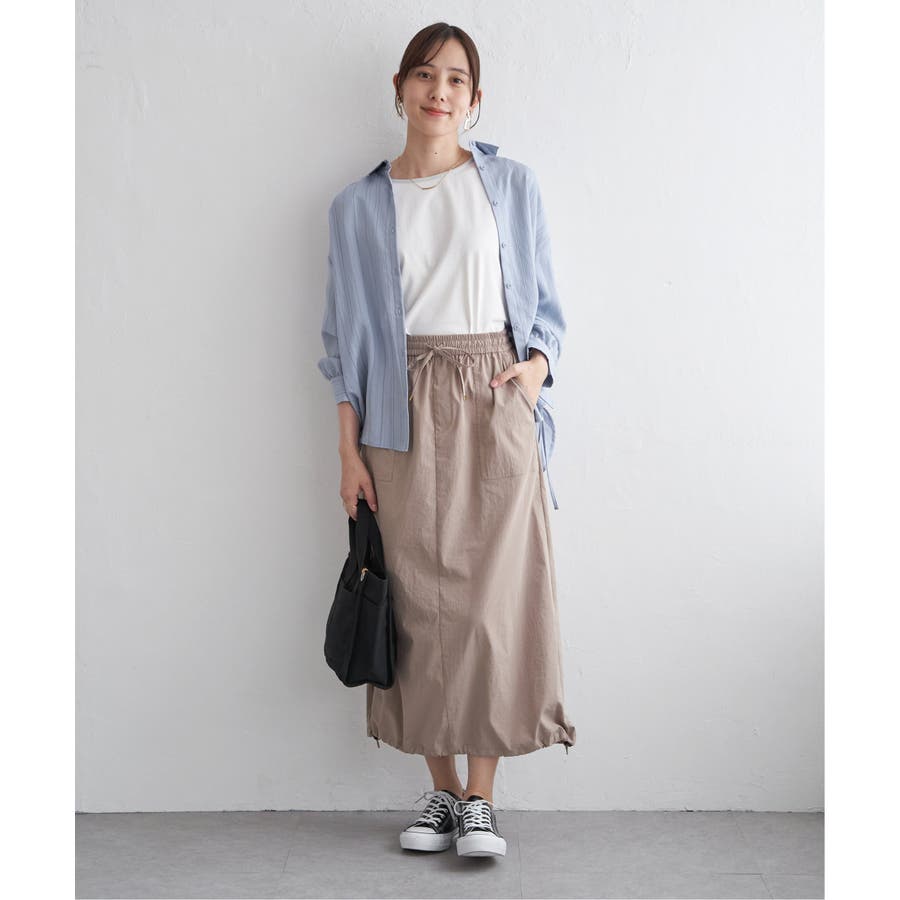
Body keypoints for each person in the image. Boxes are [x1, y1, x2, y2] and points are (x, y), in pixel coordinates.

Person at [317, 22, 576, 859]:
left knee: (492, 603)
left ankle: (481, 799)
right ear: (400, 88)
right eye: (425, 75)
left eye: (457, 78)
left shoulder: (510, 185)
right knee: (418, 602)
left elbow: (546, 306)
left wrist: (535, 370)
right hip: (398, 408)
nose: (440, 91)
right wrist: (348, 452)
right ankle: (440, 792)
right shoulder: (357, 206)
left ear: (475, 98)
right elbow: (342, 344)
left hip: (494, 396)